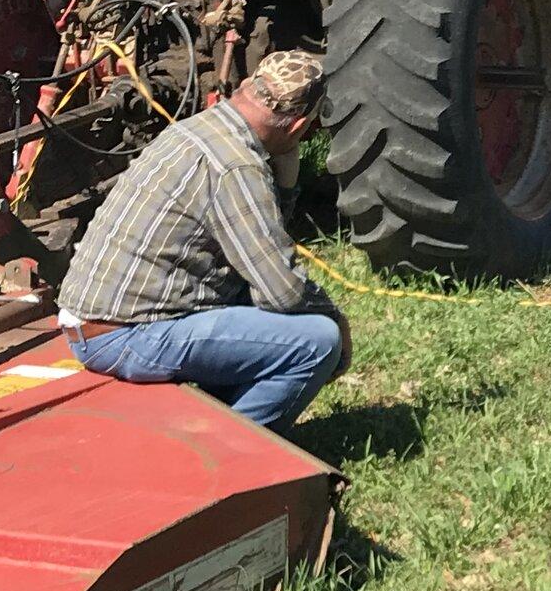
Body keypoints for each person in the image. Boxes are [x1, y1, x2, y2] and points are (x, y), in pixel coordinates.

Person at [58, 49, 348, 431]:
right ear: (297, 128)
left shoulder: (199, 129)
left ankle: (211, 415)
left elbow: (259, 253)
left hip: (92, 320)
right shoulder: (237, 166)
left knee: (262, 309)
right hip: (124, 335)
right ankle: (232, 452)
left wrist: (285, 181)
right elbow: (283, 292)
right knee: (318, 341)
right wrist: (336, 319)